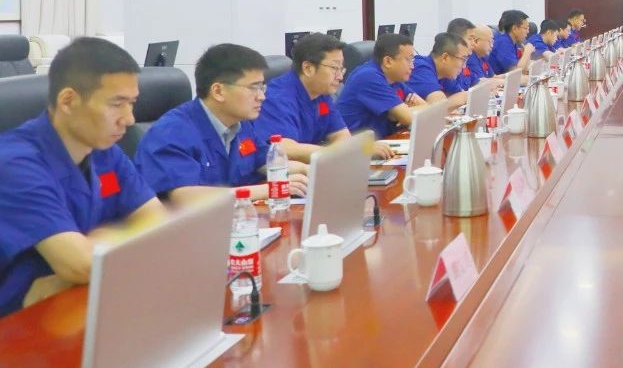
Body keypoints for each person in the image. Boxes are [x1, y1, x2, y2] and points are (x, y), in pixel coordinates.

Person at [0, 38, 166, 316]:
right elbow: (83, 266)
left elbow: (161, 225)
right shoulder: (14, 163)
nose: (129, 119)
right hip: (18, 321)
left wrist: (102, 242)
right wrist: (102, 250)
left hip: (80, 300)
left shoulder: (104, 150)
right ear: (68, 101)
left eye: (132, 103)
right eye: (117, 104)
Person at [136, 44, 307, 205]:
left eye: (262, 87)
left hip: (234, 218)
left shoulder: (241, 123)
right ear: (218, 91)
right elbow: (186, 197)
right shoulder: (170, 133)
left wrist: (306, 171)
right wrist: (269, 189)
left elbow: (262, 162)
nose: (261, 96)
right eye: (253, 88)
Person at [255, 33, 393, 163]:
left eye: (341, 69)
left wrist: (358, 149)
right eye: (334, 68)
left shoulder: (321, 93)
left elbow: (341, 135)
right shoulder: (277, 98)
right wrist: (345, 151)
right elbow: (284, 147)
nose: (340, 76)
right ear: (308, 68)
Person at [337, 33, 430, 138]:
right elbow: (408, 118)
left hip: (382, 140)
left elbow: (427, 108)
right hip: (357, 145)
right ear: (388, 61)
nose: (412, 66)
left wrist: (402, 113)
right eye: (408, 60)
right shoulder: (368, 76)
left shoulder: (394, 78)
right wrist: (403, 114)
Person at [406, 32, 471, 109]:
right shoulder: (420, 67)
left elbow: (461, 94)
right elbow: (440, 107)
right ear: (445, 58)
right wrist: (462, 98)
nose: (464, 66)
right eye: (463, 59)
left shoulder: (445, 74)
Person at [490, 10, 536, 75]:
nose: (528, 32)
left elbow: (524, 69)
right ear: (515, 29)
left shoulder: (513, 42)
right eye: (525, 28)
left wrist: (526, 54)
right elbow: (515, 72)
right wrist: (527, 52)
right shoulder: (503, 43)